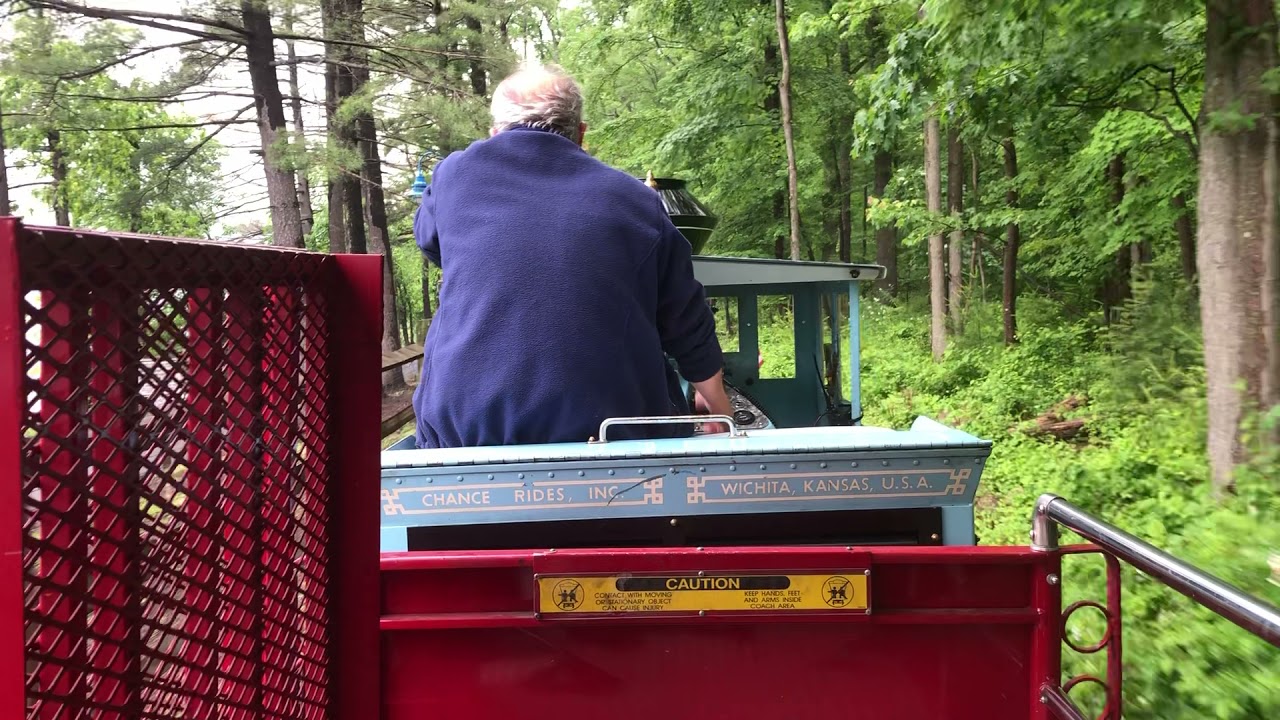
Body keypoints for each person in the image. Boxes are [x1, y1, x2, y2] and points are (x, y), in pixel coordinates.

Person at [411, 63, 733, 449]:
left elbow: (429, 242)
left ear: (495, 132)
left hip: (465, 433)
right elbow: (684, 315)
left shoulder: (453, 177)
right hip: (616, 433)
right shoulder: (636, 199)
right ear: (581, 134)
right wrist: (716, 403)